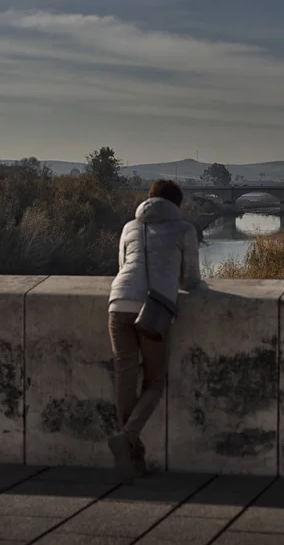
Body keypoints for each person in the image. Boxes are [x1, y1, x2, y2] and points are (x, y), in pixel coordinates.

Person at [107, 179, 201, 477]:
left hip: (118, 303)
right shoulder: (184, 229)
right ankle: (126, 439)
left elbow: (123, 265)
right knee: (155, 381)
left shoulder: (129, 227)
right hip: (154, 309)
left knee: (125, 378)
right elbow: (190, 280)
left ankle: (133, 458)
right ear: (177, 204)